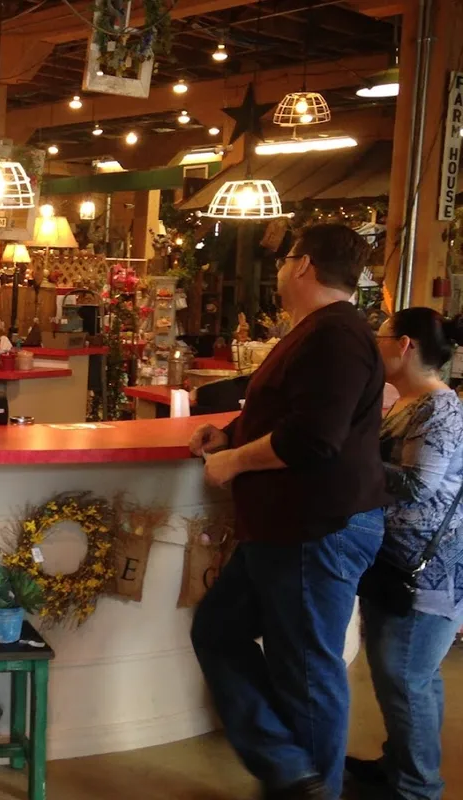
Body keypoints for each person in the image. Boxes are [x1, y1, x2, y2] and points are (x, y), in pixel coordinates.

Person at [187, 223, 388, 800]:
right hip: (285, 529)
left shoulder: (336, 336)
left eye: (284, 259)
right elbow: (292, 413)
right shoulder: (319, 332)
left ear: (303, 265)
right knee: (219, 631)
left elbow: (312, 438)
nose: (278, 270)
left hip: (314, 527)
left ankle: (307, 786)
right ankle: (290, 770)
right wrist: (230, 435)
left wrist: (233, 463)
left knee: (305, 670)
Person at [346, 308, 463, 800]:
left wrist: (350, 457)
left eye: (381, 337)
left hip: (427, 570)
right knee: (413, 675)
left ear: (405, 345)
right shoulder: (410, 401)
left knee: (404, 676)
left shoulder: (439, 408)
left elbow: (418, 485)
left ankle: (417, 788)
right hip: (400, 561)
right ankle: (403, 766)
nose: (375, 346)